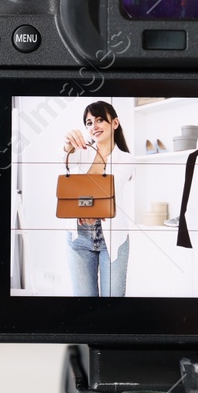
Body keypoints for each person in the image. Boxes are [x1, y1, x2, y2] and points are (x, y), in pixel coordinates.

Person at [62, 101, 134, 296]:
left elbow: (109, 188)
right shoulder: (82, 152)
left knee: (112, 304)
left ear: (115, 123)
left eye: (100, 120)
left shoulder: (125, 159)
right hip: (78, 237)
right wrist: (68, 145)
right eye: (88, 122)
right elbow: (64, 163)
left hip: (112, 239)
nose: (93, 126)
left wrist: (86, 207)